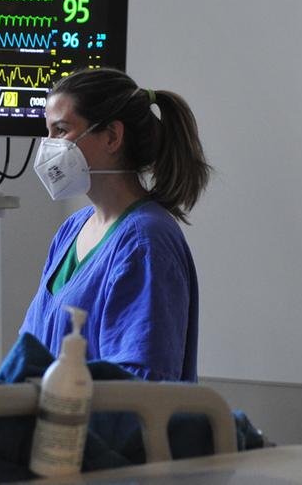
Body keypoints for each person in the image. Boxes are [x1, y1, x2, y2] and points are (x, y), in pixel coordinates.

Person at [21, 68, 212, 382]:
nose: (48, 146)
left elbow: (141, 383)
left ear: (112, 136)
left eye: (61, 130)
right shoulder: (72, 229)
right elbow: (29, 353)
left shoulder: (145, 241)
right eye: (48, 131)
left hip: (98, 415)